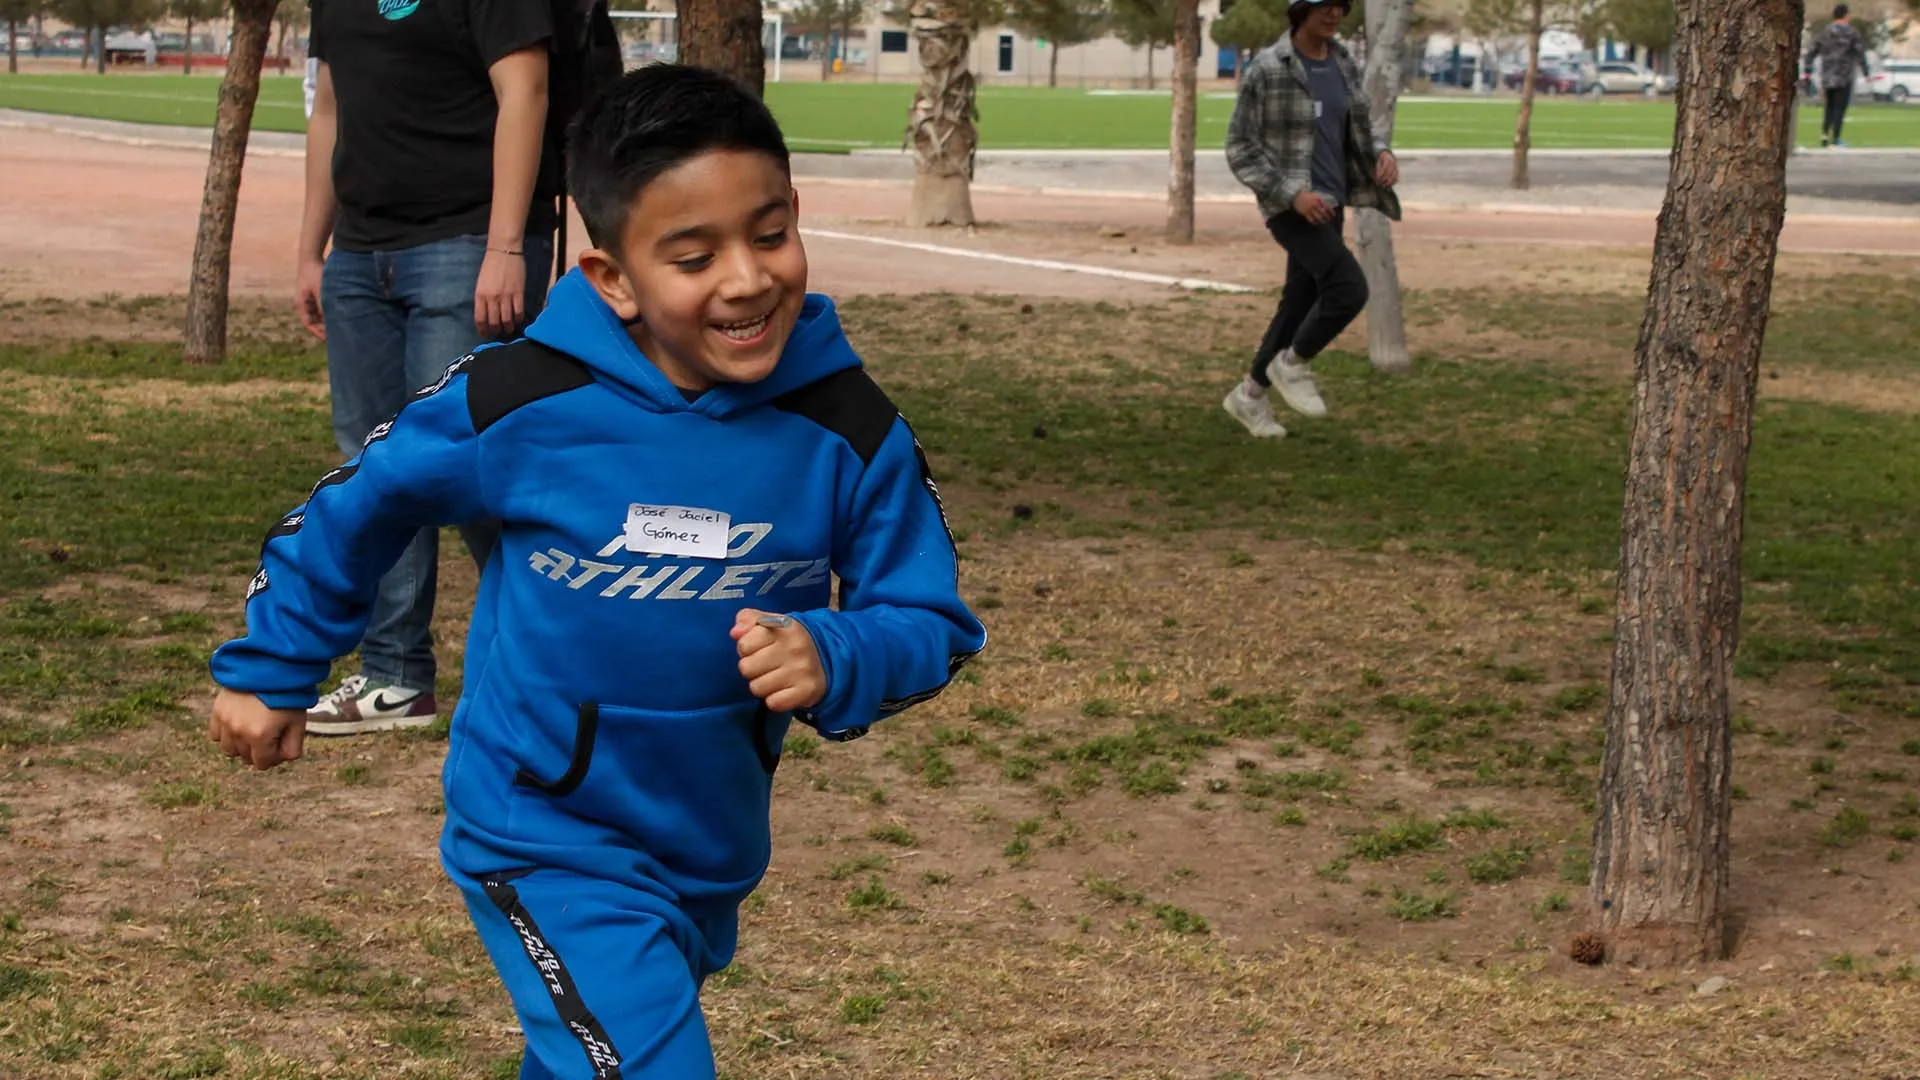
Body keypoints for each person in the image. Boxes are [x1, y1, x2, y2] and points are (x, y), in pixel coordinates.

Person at [206, 65, 988, 1079]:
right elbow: (362, 498)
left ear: (797, 214)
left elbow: (931, 619)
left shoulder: (849, 428)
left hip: (706, 845)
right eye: (693, 256)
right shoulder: (524, 401)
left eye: (768, 234)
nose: (746, 279)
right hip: (542, 829)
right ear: (612, 275)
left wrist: (840, 652)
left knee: (593, 1057)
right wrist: (276, 664)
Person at [296, 0, 560, 735]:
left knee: (471, 461)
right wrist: (311, 248)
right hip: (358, 253)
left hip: (467, 243)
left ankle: (554, 654)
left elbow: (525, 92)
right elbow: (330, 112)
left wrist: (505, 248)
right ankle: (395, 676)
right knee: (378, 464)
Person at [1220, 0, 1400, 440]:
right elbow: (1239, 147)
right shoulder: (1268, 68)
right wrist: (1291, 195)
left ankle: (1249, 396)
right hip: (1292, 208)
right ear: (1300, 10)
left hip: (1332, 203)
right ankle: (1293, 364)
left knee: (1298, 303)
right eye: (1323, 5)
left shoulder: (1342, 61)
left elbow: (1359, 123)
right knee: (1348, 288)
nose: (1334, 13)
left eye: (1341, 5)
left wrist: (1380, 151)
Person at [1806, 3, 1871, 149]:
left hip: (1827, 75)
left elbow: (1812, 52)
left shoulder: (1825, 32)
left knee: (1829, 106)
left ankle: (1824, 135)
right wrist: (1866, 73)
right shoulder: (1851, 33)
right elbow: (1860, 53)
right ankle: (1835, 138)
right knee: (1839, 108)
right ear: (1846, 15)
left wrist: (1807, 70)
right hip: (1843, 75)